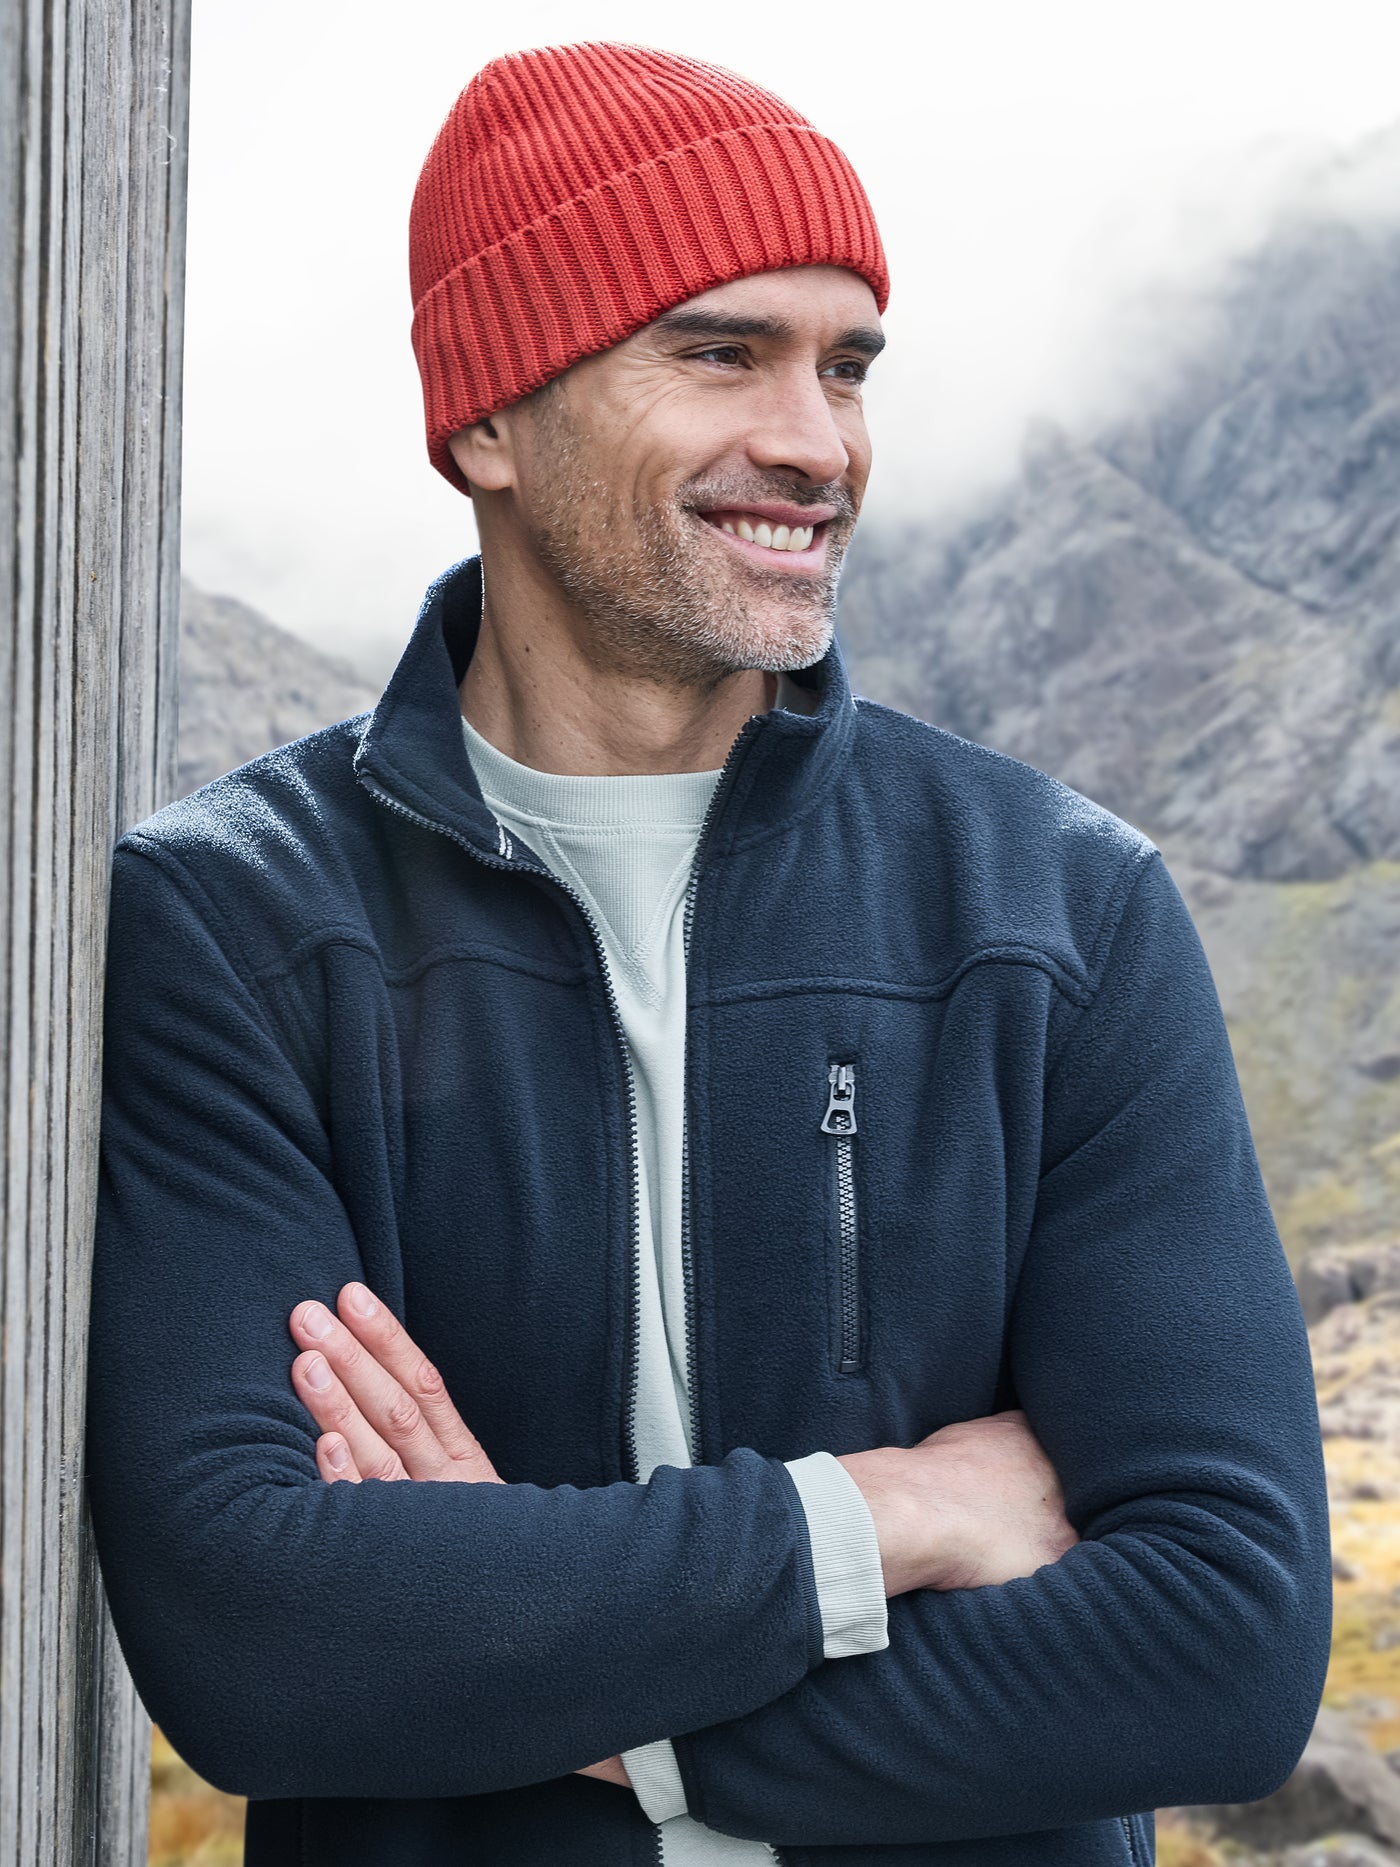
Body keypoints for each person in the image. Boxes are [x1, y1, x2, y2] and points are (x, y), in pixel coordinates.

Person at [87, 40, 1332, 1867]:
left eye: (848, 365)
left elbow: (1221, 1647)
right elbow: (263, 1634)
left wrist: (577, 1695)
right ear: (490, 424)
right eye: (722, 352)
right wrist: (884, 1516)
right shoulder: (240, 922)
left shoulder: (1060, 911)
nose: (817, 442)